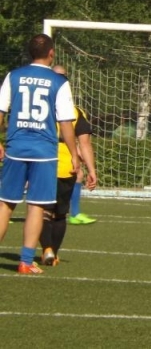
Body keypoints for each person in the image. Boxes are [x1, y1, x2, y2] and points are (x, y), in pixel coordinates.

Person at [0, 34, 80, 274]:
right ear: (51, 53)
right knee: (36, 206)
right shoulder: (58, 81)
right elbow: (65, 122)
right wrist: (74, 154)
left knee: (5, 204)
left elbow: (0, 111)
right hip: (44, 152)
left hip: (16, 148)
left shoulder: (13, 76)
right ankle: (25, 262)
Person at [39, 65, 99, 265]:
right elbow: (85, 143)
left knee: (41, 212)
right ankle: (53, 254)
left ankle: (46, 249)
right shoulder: (75, 111)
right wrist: (91, 170)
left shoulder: (39, 107)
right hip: (67, 166)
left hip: (42, 164)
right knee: (60, 214)